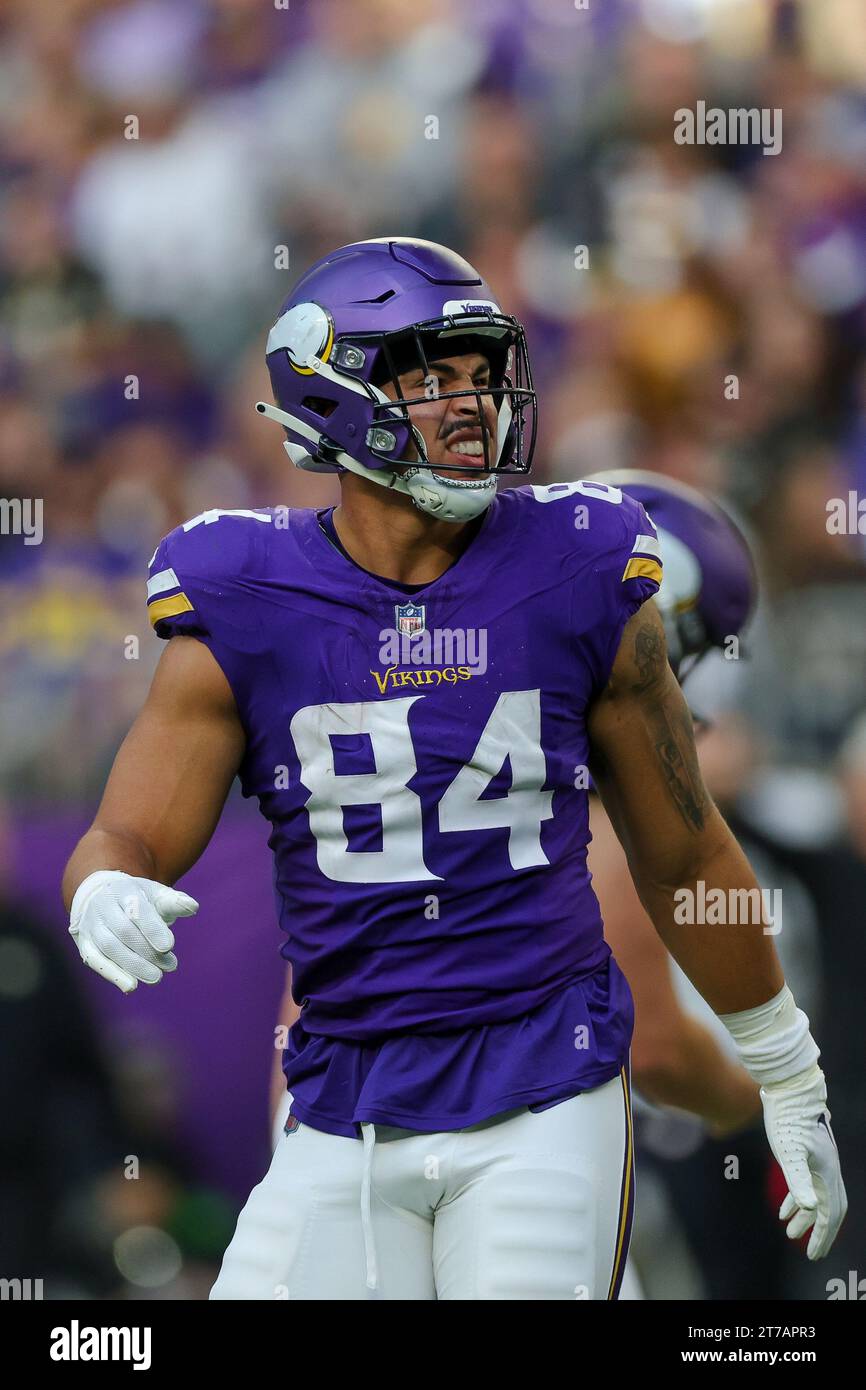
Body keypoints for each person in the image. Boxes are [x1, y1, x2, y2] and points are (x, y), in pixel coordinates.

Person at [61, 238, 846, 1300]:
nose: (471, 406)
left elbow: (682, 848)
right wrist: (100, 884)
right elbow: (130, 833)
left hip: (543, 1084)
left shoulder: (579, 562)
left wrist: (784, 1067)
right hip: (342, 1095)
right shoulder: (243, 591)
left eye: (481, 376)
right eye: (430, 377)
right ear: (330, 395)